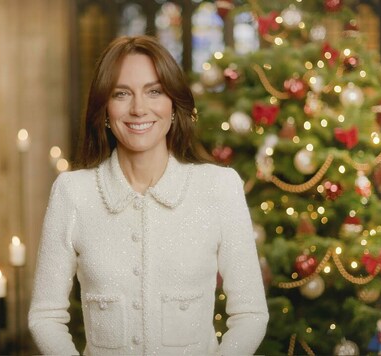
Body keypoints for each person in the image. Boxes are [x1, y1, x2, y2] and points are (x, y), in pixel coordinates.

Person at [28, 35, 268, 355]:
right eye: (122, 94)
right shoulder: (73, 193)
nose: (139, 109)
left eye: (154, 92)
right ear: (105, 110)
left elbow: (250, 313)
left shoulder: (219, 187)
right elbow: (45, 316)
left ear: (173, 105)